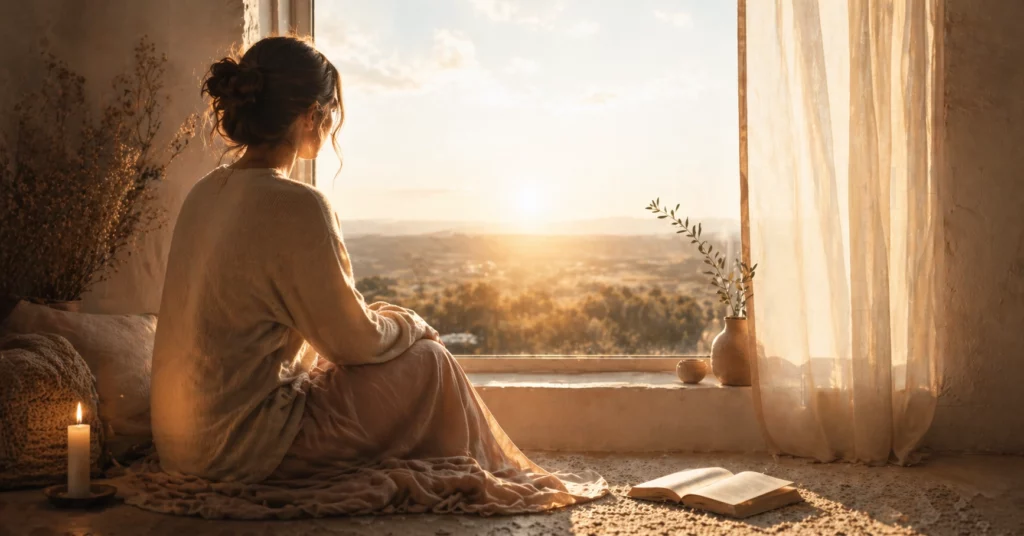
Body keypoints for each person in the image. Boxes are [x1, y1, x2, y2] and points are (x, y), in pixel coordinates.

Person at [149, 36, 605, 515]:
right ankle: (478, 466)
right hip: (241, 450)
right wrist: (408, 323)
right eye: (330, 113)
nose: (331, 124)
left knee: (383, 355)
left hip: (181, 444)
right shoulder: (297, 204)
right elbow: (353, 345)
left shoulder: (204, 192)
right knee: (431, 361)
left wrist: (378, 322)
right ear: (311, 116)